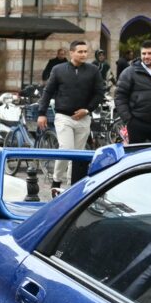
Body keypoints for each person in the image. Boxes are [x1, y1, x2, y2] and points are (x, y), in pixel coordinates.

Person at [37, 40, 104, 194]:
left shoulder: (93, 71)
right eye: (80, 51)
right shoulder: (58, 69)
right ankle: (56, 180)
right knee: (66, 149)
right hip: (63, 116)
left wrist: (87, 110)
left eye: (85, 51)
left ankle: (73, 186)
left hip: (84, 118)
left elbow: (99, 93)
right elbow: (48, 92)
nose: (83, 54)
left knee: (78, 154)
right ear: (71, 53)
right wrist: (41, 113)